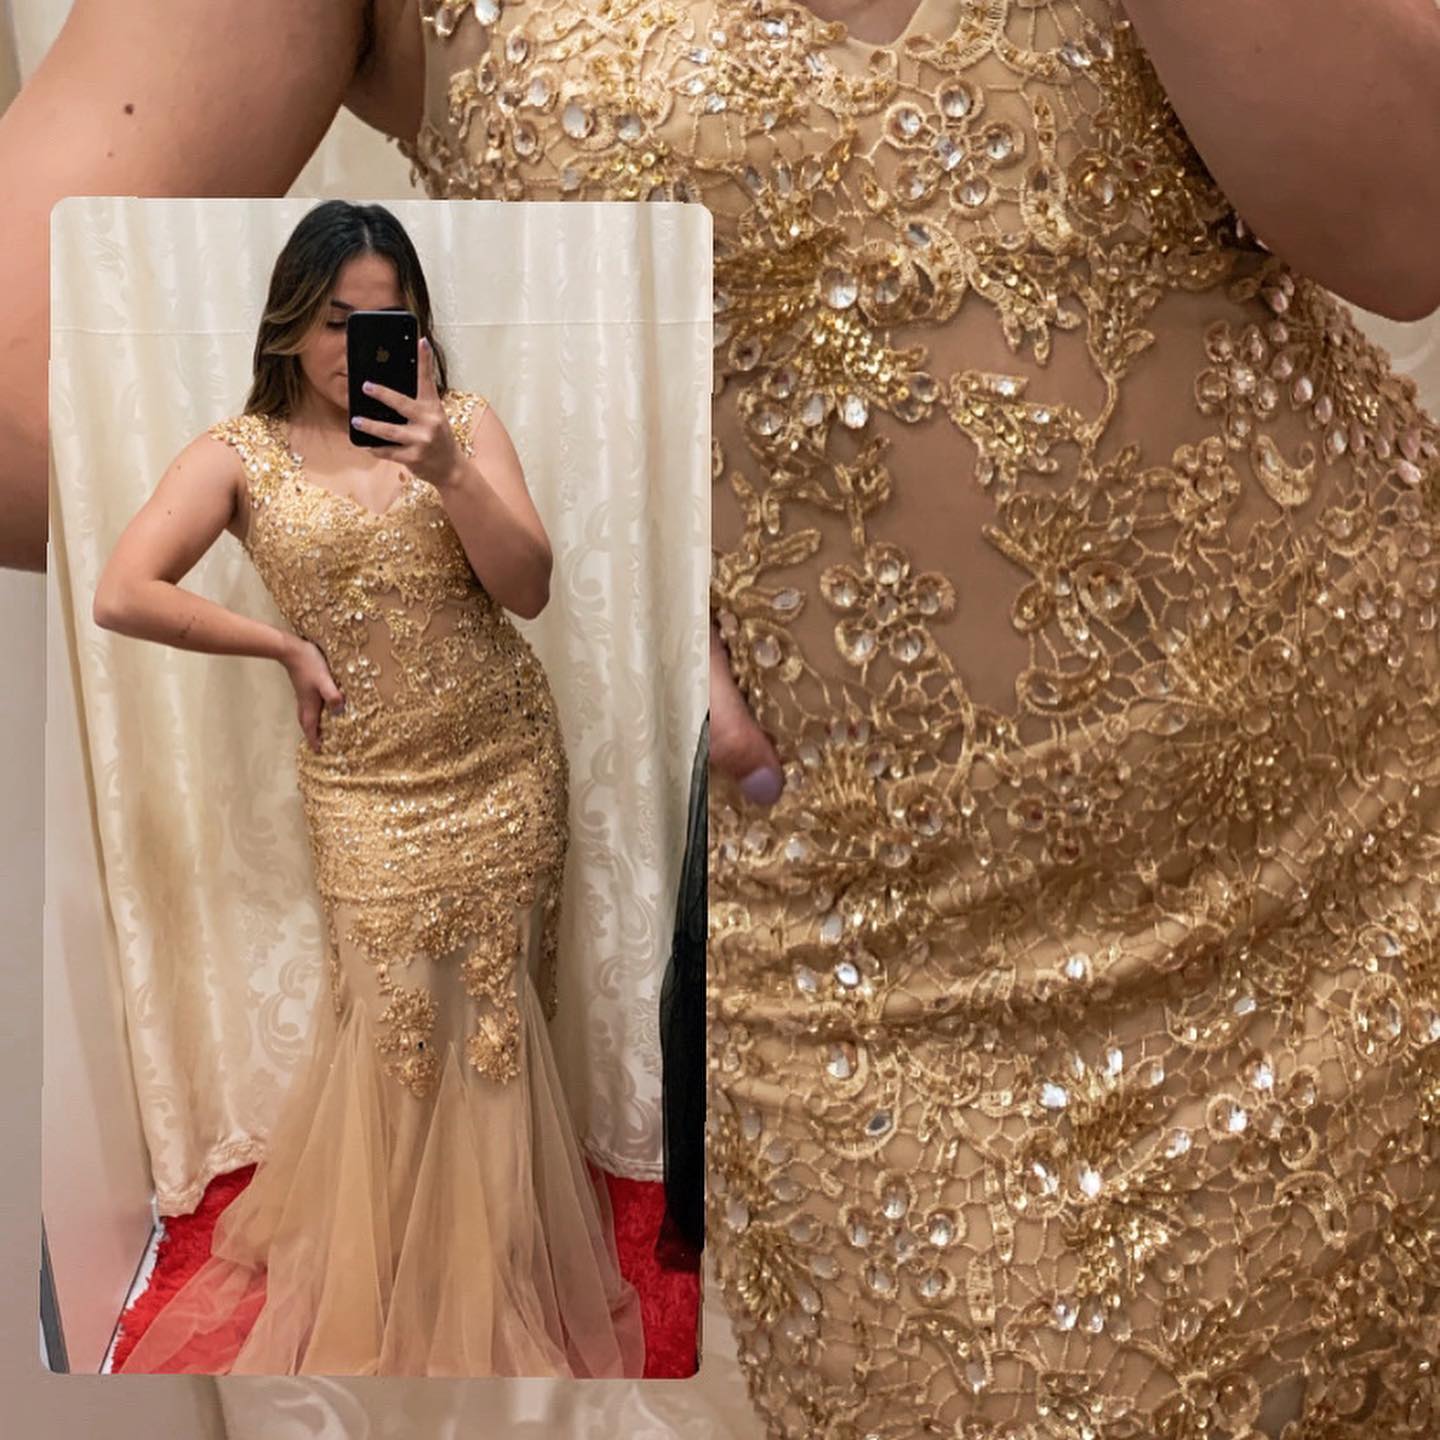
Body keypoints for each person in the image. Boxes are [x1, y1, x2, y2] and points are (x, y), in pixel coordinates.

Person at [7, 0, 1440, 1433]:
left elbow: (1405, 221)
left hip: (1393, 795)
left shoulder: (467, 432)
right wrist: (337, 584)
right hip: (914, 998)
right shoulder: (277, 445)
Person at [91, 198, 646, 1377]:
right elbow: (123, 590)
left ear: (418, 327)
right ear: (292, 321)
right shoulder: (238, 454)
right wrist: (282, 648)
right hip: (365, 788)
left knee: (491, 1018)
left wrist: (447, 467)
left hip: (501, 765)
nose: (357, 347)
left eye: (384, 320)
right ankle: (397, 1255)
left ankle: (490, 1260)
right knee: (395, 1018)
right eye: (337, 321)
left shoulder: (464, 427)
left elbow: (529, 588)